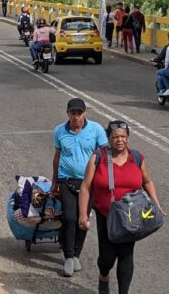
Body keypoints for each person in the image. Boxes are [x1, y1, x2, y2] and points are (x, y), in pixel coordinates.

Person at [78, 120, 162, 294]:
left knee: (126, 255)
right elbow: (86, 186)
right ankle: (103, 276)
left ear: (128, 138)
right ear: (108, 138)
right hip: (106, 214)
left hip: (131, 216)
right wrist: (82, 215)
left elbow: (147, 181)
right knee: (107, 258)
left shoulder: (137, 158)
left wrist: (156, 205)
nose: (120, 140)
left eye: (123, 136)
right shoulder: (98, 157)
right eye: (115, 137)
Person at [52, 98, 108, 278]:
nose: (76, 117)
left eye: (79, 113)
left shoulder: (96, 130)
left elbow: (105, 156)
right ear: (68, 114)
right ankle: (68, 256)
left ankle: (76, 253)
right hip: (66, 181)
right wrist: (54, 182)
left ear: (85, 113)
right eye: (73, 113)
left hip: (89, 183)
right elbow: (57, 157)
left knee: (83, 220)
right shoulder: (59, 131)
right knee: (69, 217)